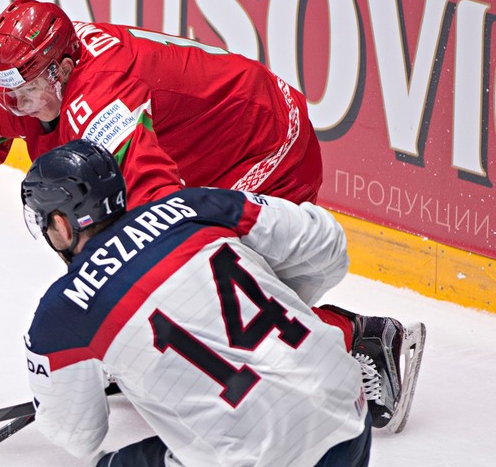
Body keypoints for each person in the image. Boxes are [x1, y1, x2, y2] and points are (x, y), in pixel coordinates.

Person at [0, 0, 419, 431]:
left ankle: (361, 341)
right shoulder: (28, 80)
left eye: (21, 89)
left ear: (61, 71)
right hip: (194, 153)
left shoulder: (101, 98)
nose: (8, 102)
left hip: (264, 143)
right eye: (1, 86)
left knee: (206, 276)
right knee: (111, 240)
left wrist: (135, 309)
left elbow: (155, 207)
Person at [20, 139, 372, 467]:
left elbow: (78, 436)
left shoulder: (60, 313)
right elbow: (327, 244)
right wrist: (275, 302)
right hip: (346, 410)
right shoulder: (192, 206)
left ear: (63, 225)